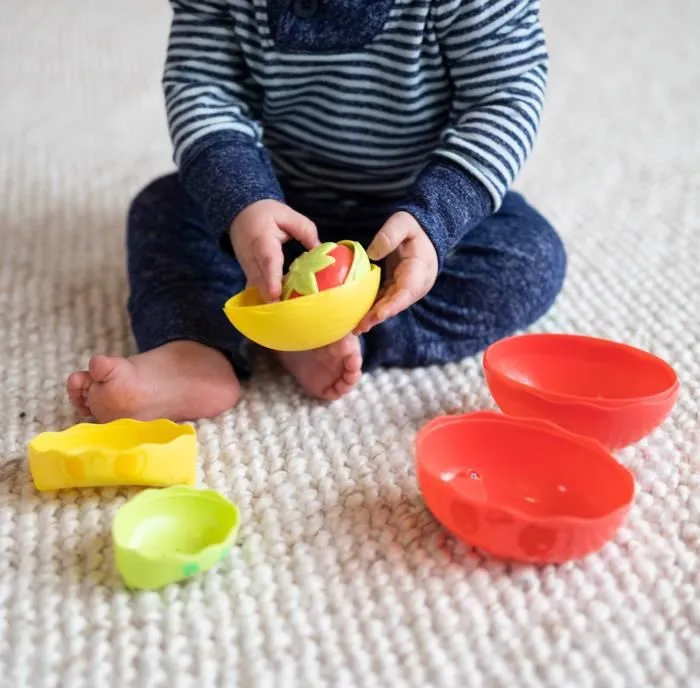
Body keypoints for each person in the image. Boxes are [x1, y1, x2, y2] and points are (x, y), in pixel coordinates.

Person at [67, 0, 566, 423]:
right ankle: (194, 347)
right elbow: (203, 87)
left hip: (408, 220)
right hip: (276, 205)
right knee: (164, 208)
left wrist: (439, 218)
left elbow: (506, 93)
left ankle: (335, 334)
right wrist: (244, 200)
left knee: (528, 257)